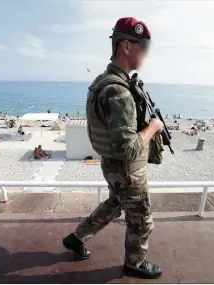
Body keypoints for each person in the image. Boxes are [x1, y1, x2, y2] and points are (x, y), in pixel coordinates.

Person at [62, 17, 164, 279]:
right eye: (143, 47)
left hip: (111, 166)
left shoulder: (102, 80)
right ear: (127, 47)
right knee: (142, 221)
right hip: (127, 169)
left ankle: (77, 237)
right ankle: (135, 263)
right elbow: (128, 148)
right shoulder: (118, 91)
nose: (146, 54)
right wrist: (154, 127)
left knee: (114, 204)